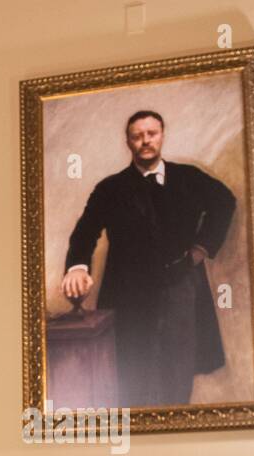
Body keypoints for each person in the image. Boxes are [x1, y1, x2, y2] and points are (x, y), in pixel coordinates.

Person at [60, 110, 236, 407]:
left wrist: (200, 249)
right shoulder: (110, 188)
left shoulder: (188, 178)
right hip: (129, 293)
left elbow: (225, 201)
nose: (145, 141)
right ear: (128, 142)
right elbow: (85, 232)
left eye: (151, 134)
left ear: (162, 135)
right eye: (137, 136)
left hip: (181, 287)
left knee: (179, 370)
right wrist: (77, 267)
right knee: (134, 370)